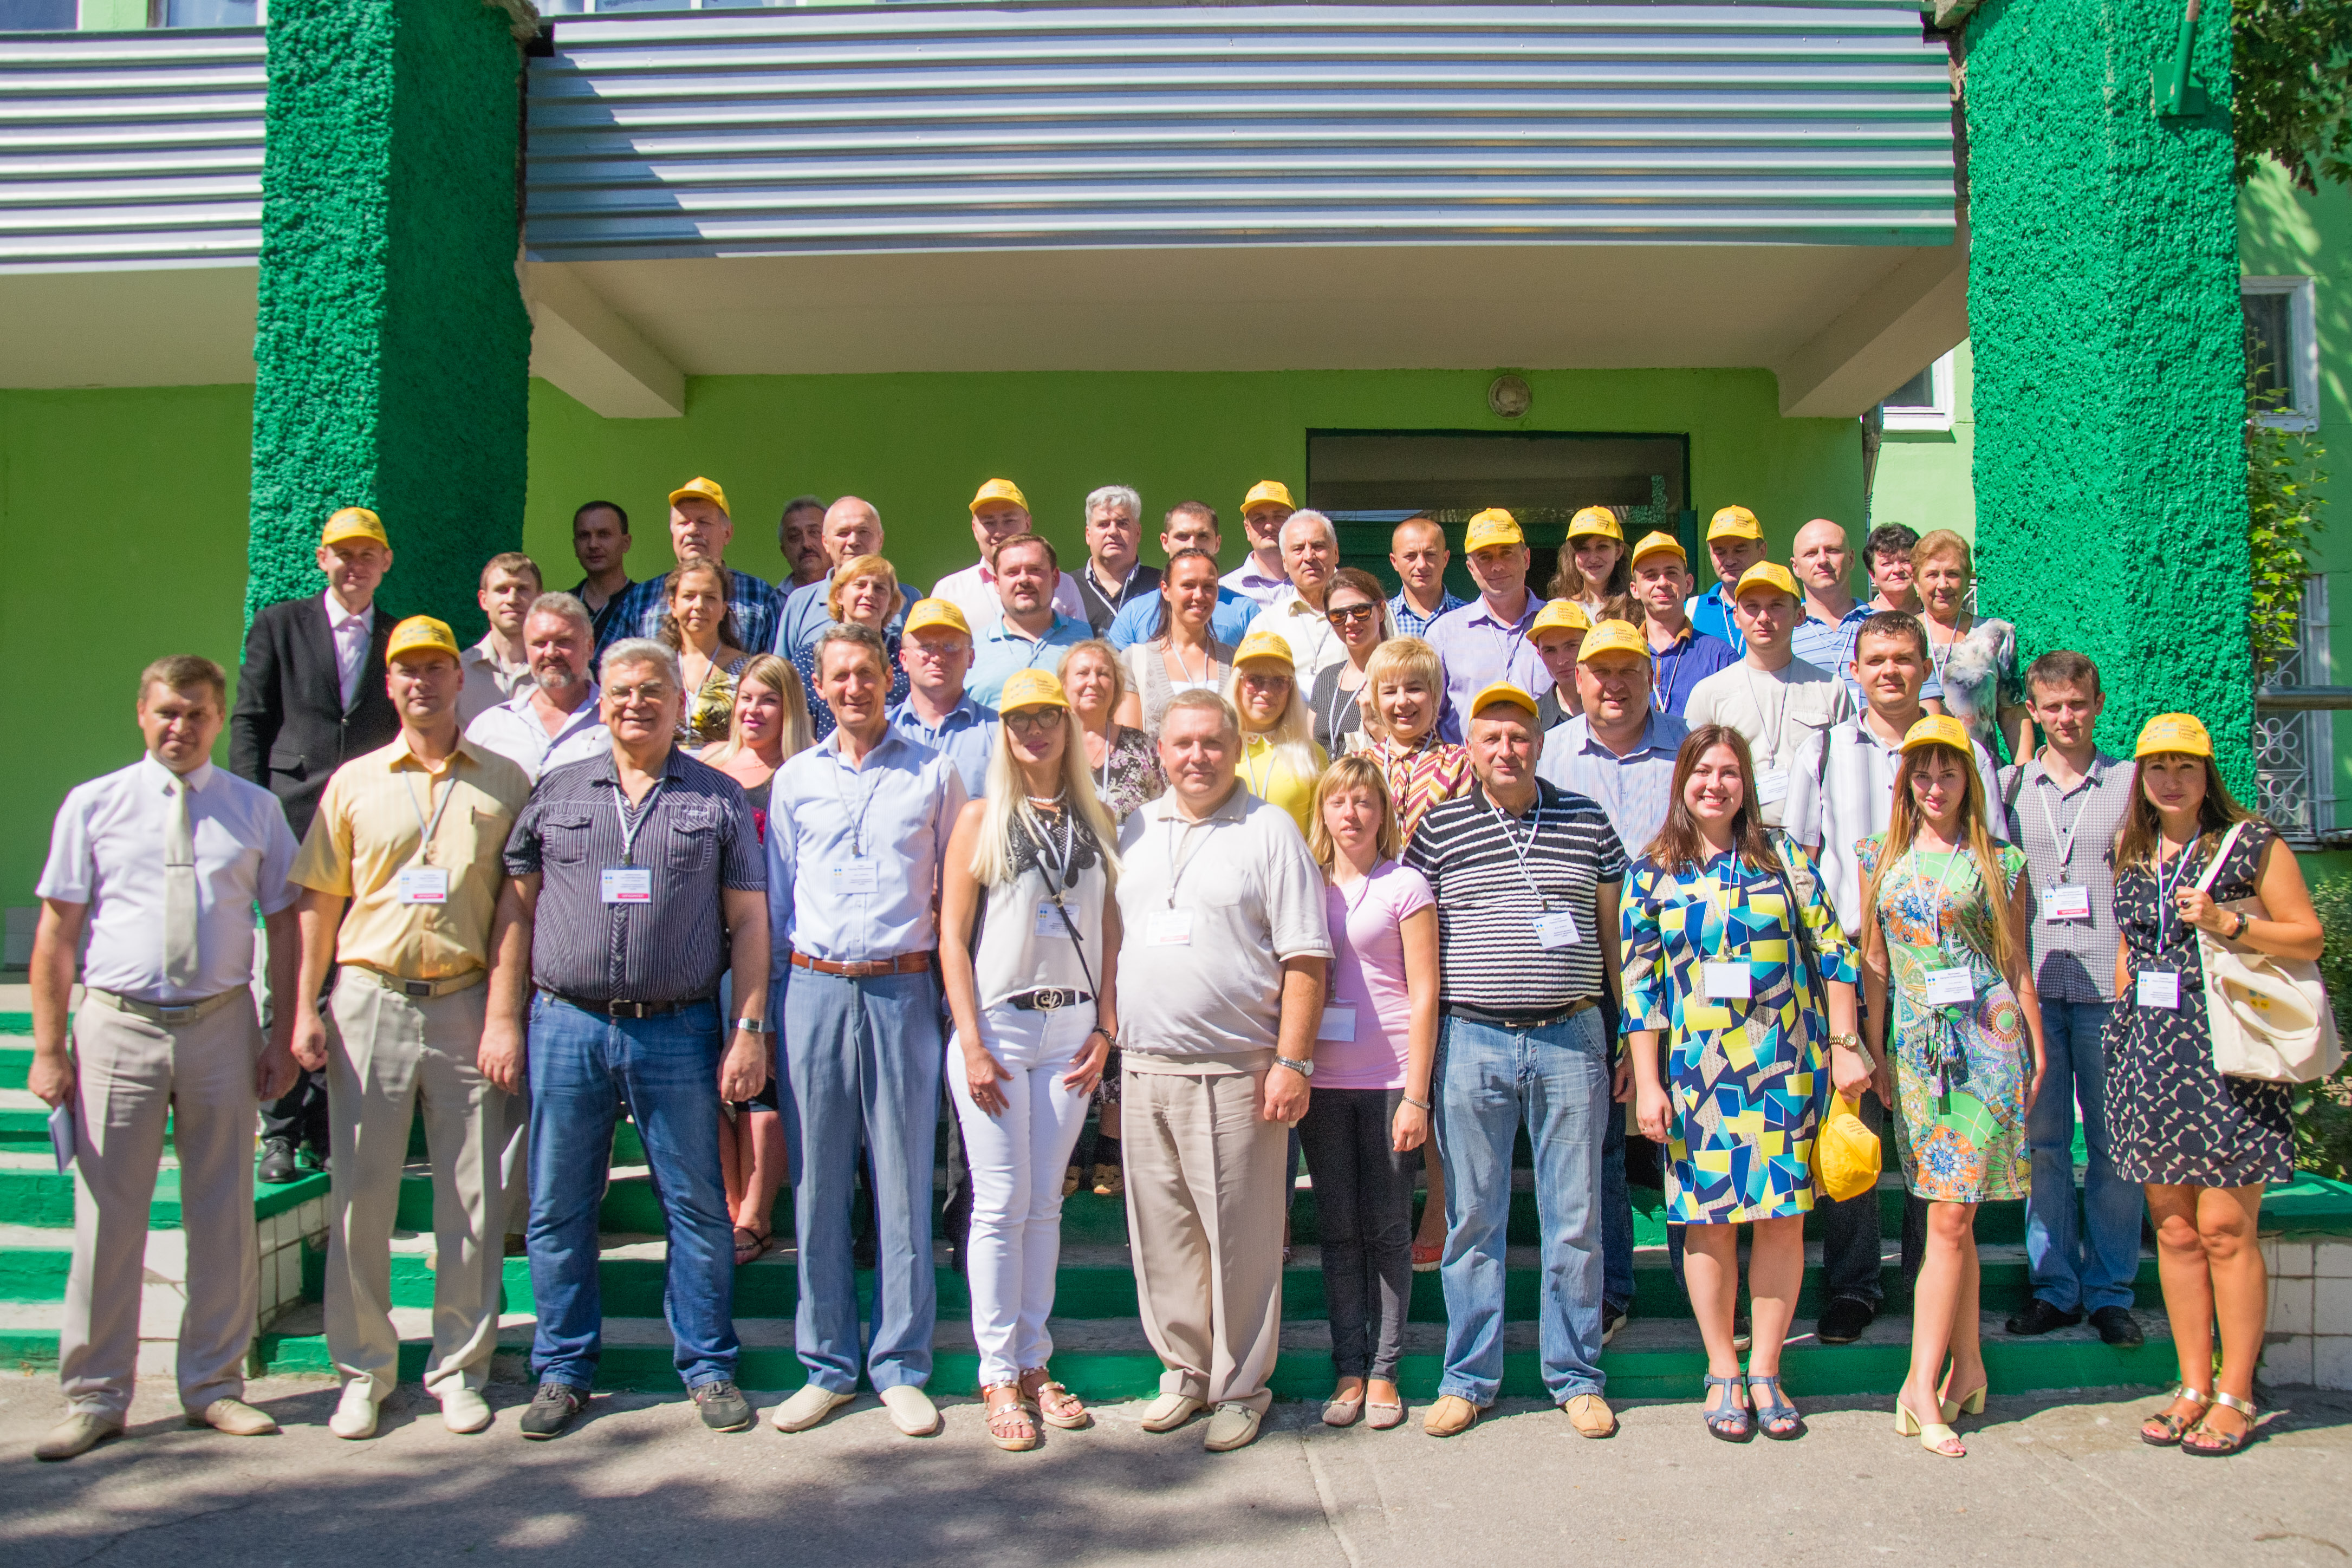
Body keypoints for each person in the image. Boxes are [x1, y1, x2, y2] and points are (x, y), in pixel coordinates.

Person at [483, 637, 771, 1441]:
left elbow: (750, 921)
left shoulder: (715, 797)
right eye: (620, 691)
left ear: (679, 702)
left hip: (677, 1027)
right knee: (558, 1204)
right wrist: (502, 1017)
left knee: (696, 1205)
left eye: (652, 690)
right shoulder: (556, 790)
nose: (636, 703)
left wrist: (749, 1028)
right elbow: (515, 908)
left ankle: (707, 1364)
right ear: (599, 701)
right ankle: (562, 1369)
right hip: (565, 1023)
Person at [27, 656, 303, 1462]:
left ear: (218, 719)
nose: (180, 727)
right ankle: (95, 1394)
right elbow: (56, 934)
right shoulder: (94, 804)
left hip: (219, 1024)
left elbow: (286, 924)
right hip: (117, 1027)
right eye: (166, 712)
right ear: (142, 715)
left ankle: (214, 1385)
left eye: (196, 713)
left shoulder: (254, 809)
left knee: (221, 1211)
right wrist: (48, 1047)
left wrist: (283, 1032)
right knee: (108, 1215)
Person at [285, 615, 533, 1442]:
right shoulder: (354, 782)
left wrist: (503, 1012)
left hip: (465, 998)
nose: (422, 681)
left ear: (460, 678)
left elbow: (516, 908)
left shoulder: (504, 780)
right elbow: (320, 899)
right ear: (389, 685)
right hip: (370, 997)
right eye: (407, 670)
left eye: (435, 667)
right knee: (363, 1195)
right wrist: (306, 1003)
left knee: (472, 1196)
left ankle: (459, 1367)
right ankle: (363, 1369)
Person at [1623, 727, 1865, 1442]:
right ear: (1682, 781)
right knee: (1708, 1221)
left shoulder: (1783, 857)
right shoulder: (1652, 872)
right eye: (1702, 771)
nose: (1715, 784)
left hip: (1783, 1068)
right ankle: (1722, 1366)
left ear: (1746, 783)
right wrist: (1647, 1084)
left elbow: (1835, 952)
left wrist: (1845, 1044)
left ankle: (1765, 1368)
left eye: (1729, 772)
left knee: (1781, 1218)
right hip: (1697, 1076)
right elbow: (1640, 990)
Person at [764, 622, 970, 1439]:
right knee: (817, 1184)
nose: (854, 687)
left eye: (866, 673)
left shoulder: (934, 772)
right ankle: (825, 1364)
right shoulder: (794, 779)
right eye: (838, 675)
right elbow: (779, 895)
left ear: (890, 677)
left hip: (901, 988)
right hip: (814, 986)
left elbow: (955, 894)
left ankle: (900, 1364)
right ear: (818, 685)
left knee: (903, 1178)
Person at [1408, 681, 1626, 1441]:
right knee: (1473, 1218)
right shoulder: (1437, 830)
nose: (1506, 750)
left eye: (1519, 736)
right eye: (1491, 738)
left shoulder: (1586, 821)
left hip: (1572, 1036)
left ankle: (1575, 1376)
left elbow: (1612, 939)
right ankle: (1468, 1377)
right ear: (1469, 749)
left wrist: (1627, 1035)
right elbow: (1417, 950)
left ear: (1539, 744)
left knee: (1574, 1218)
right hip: (1472, 1039)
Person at [1115, 689, 1331, 1453]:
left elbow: (1305, 955)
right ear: (1160, 752)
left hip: (1237, 1069)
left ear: (1236, 749)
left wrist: (1291, 1061)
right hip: (1145, 1065)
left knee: (1241, 1240)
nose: (1197, 757)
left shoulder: (1268, 830)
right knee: (1163, 1235)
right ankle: (1185, 1370)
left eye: (1212, 742)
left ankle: (1241, 1385)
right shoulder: (1136, 827)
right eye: (1182, 743)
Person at [1780, 610, 2000, 1345]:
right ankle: (1853, 1283)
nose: (1889, 671)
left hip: (1945, 969)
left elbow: (1994, 859)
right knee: (1854, 1124)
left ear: (1925, 668)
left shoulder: (1966, 751)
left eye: (1904, 658)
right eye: (1875, 659)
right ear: (1853, 670)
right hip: (1849, 964)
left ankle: (1926, 1278)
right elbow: (1801, 860)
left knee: (1936, 1128)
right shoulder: (1823, 750)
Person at [2109, 713, 2322, 1457]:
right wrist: (2122, 1029)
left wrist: (2230, 923)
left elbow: (2306, 935)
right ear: (2141, 776)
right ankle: (2191, 1384)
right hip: (2151, 1053)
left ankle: (2235, 1393)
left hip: (2227, 1054)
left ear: (2207, 775)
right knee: (2172, 1229)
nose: (2171, 780)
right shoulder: (2131, 849)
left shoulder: (2251, 843)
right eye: (2158, 767)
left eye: (2185, 767)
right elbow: (2130, 946)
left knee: (2226, 1229)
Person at [938, 669, 1121, 1450]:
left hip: (1072, 1029)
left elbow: (1110, 931)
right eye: (1020, 719)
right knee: (999, 1201)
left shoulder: (1097, 815)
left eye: (1048, 716)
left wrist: (1106, 1027)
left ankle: (1035, 1357)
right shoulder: (982, 816)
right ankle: (997, 1371)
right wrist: (971, 1039)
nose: (1035, 730)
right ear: (1003, 731)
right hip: (1000, 1028)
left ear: (1068, 726)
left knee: (1045, 1202)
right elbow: (951, 937)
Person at [1857, 714, 2047, 1459]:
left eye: (1948, 773)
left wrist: (2034, 1049)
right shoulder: (1878, 855)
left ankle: (1919, 1382)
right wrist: (1871, 1048)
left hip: (1987, 1044)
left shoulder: (2000, 860)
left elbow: (2016, 959)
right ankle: (1966, 1365)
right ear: (1905, 781)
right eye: (1922, 774)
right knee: (1951, 1216)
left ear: (1970, 779)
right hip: (1918, 1053)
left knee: (1949, 1216)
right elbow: (1875, 965)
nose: (1934, 787)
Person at [231, 505, 400, 1186]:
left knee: (349, 980)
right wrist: (250, 812)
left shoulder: (396, 636)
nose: (354, 565)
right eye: (343, 553)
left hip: (369, 829)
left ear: (385, 562)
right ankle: (279, 1130)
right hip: (292, 819)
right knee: (291, 974)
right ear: (322, 559)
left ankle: (331, 1131)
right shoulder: (280, 625)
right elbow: (251, 720)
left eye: (366, 554)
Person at [1534, 619, 1686, 1338]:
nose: (1614, 684)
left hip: (1685, 964)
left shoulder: (1689, 746)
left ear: (1651, 677)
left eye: (1630, 669)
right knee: (1597, 1142)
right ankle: (1610, 1289)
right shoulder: (1551, 752)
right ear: (1578, 678)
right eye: (1601, 671)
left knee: (1690, 1128)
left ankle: (1704, 1288)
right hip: (1587, 969)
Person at [1998, 652, 2145, 1348]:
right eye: (2052, 707)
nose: (2066, 718)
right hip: (2033, 992)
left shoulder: (2130, 783)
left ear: (2098, 704)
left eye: (2077, 704)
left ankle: (2111, 1292)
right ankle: (2054, 1288)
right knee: (2045, 1144)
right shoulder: (2008, 787)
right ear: (2032, 711)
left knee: (2114, 1146)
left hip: (2108, 989)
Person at [1300, 757, 1437, 1432]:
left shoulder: (1405, 884)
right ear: (1322, 812)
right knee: (1337, 1231)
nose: (1350, 814)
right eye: (1338, 802)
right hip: (1322, 1083)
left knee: (1386, 1230)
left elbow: (1425, 993)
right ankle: (1348, 1367)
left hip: (1388, 1081)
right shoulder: (1306, 886)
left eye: (1363, 802)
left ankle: (1385, 1369)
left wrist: (1417, 1095)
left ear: (1383, 813)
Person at [1356, 635, 1471, 1270]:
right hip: (1370, 940)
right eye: (1390, 689)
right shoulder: (1356, 762)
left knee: (1433, 1074)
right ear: (1372, 698)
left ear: (1437, 696)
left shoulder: (1459, 764)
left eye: (1416, 689)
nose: (1403, 701)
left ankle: (1441, 1204)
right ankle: (1379, 1208)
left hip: (1439, 933)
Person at [696, 655, 813, 1265]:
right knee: (710, 1083)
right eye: (745, 697)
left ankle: (756, 1214)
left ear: (789, 707)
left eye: (768, 699)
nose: (753, 709)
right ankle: (729, 1202)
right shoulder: (705, 768)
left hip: (773, 947)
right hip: (700, 947)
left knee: (762, 1081)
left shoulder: (804, 772)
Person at [1683, 562, 1855, 833]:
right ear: (1736, 617)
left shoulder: (1831, 689)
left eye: (1776, 606)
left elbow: (1849, 774)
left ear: (1800, 615)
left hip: (1813, 839)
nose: (1763, 617)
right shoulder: (1709, 693)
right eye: (1752, 607)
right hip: (1734, 840)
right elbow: (1691, 779)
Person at [606, 478, 781, 654]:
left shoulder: (761, 596)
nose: (691, 530)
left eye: (703, 522)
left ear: (727, 533)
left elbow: (779, 669)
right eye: (683, 523)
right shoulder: (640, 598)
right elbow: (609, 663)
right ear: (672, 532)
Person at [1427, 509, 1551, 739]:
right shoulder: (1443, 634)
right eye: (1485, 558)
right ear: (1471, 568)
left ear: (1526, 559)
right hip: (1466, 762)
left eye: (1506, 553)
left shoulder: (1558, 625)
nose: (1497, 566)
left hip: (1548, 761)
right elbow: (1426, 718)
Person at [463, 591, 612, 782]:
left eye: (563, 641)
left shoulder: (617, 720)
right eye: (540, 643)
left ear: (590, 648)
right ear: (527, 650)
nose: (551, 652)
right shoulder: (491, 727)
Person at [1914, 529, 2030, 762]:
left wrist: (2024, 771)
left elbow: (2012, 712)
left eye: (1953, 574)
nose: (1943, 584)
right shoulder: (1900, 637)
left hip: (1981, 771)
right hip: (1918, 770)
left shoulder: (1995, 634)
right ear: (1916, 582)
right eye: (1932, 575)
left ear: (1968, 580)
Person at [932, 479, 1087, 633]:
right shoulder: (949, 591)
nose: (1000, 532)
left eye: (1009, 521)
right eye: (989, 523)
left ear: (1027, 524)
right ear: (975, 529)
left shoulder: (1064, 585)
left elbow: (1081, 643)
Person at [1104, 501, 1261, 650]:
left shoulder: (1244, 611)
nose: (1192, 545)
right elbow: (1113, 667)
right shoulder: (1134, 612)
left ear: (1217, 543)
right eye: (1182, 536)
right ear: (1165, 542)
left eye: (1203, 536)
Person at [792, 552, 912, 742]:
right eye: (860, 585)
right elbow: (799, 728)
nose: (869, 593)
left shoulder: (907, 656)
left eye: (880, 588)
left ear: (891, 602)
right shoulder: (810, 656)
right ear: (839, 595)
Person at [1118, 548, 1237, 737]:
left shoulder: (1235, 661)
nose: (1199, 595)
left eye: (1208, 586)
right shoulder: (1135, 661)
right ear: (1166, 590)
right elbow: (1131, 746)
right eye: (1188, 586)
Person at [888, 597, 996, 798]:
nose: (938, 657)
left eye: (950, 646)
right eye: (925, 647)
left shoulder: (999, 732)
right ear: (904, 659)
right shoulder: (883, 732)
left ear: (971, 657)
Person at [968, 533, 1092, 708]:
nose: (1023, 579)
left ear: (1055, 578)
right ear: (996, 582)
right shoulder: (969, 651)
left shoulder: (1093, 641)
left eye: (1034, 570)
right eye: (1012, 572)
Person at [1224, 630, 1329, 835]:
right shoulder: (1218, 751)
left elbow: (1319, 838)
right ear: (1237, 684)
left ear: (1291, 689)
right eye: (1255, 680)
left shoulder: (1313, 754)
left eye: (1279, 681)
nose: (1266, 692)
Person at [775, 496, 900, 661]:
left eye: (863, 532)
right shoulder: (799, 603)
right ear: (826, 542)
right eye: (843, 533)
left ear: (880, 540)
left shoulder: (909, 599)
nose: (853, 541)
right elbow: (782, 672)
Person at [1627, 530, 1736, 717]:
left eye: (1671, 573)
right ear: (1635, 589)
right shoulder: (1622, 654)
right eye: (1651, 575)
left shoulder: (1720, 657)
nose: (1662, 582)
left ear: (1688, 583)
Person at [1063, 637, 1162, 823]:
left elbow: (1165, 810)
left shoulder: (1141, 747)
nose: (1093, 682)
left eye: (1103, 674)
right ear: (1063, 685)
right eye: (1083, 673)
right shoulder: (1052, 746)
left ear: (1116, 687)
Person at [661, 555, 756, 749]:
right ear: (673, 606)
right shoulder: (657, 668)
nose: (699, 606)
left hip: (724, 766)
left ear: (723, 609)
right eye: (689, 596)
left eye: (710, 598)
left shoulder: (747, 670)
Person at [1244, 510, 1348, 682]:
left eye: (1318, 546)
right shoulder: (1265, 626)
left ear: (1336, 553)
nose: (1309, 557)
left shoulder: (1368, 613)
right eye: (1298, 549)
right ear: (1285, 562)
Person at [1307, 567, 1396, 755]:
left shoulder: (1398, 678)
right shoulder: (1326, 679)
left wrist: (1374, 726)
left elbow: (1413, 753)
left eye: (1360, 611)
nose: (1350, 621)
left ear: (1381, 610)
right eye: (1338, 615)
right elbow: (1311, 749)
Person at [1787, 517, 1874, 699]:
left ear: (1851, 559)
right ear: (1796, 567)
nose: (1822, 560)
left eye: (1833, 550)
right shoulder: (1783, 631)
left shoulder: (1884, 625)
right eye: (1811, 554)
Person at [458, 552, 543, 728]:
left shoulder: (558, 671)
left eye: (522, 589)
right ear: (484, 600)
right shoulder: (458, 672)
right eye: (502, 590)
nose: (512, 599)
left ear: (539, 599)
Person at [1075, 484, 1161, 634]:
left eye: (1122, 524)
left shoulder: (1163, 585)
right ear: (1088, 535)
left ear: (1138, 533)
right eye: (1103, 524)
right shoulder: (1067, 587)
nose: (1113, 531)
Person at [1686, 505, 1770, 654]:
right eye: (1720, 552)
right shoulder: (1689, 610)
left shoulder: (1788, 608)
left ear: (1762, 551)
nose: (1730, 561)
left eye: (1740, 550)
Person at [1549, 506, 1634, 622]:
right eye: (1583, 549)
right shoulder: (1556, 610)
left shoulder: (1638, 608)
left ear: (1619, 551)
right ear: (1573, 555)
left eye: (1602, 547)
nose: (1593, 559)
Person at [1222, 479, 1297, 608]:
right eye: (1259, 519)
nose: (1269, 527)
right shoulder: (1226, 590)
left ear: (1295, 523)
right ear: (1247, 530)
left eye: (1279, 517)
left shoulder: (1318, 583)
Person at [570, 500, 635, 647]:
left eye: (604, 535)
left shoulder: (642, 603)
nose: (593, 544)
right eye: (584, 536)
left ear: (626, 543)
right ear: (575, 547)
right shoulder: (562, 606)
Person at [1387, 515, 1465, 637]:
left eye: (1430, 554)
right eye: (1410, 556)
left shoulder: (1470, 618)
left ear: (1445, 559)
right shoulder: (1382, 621)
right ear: (1395, 562)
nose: (1422, 565)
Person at [1527, 598, 1589, 732]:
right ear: (1539, 653)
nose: (1561, 661)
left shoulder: (1617, 705)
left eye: (1571, 646)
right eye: (1550, 650)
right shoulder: (1532, 721)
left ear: (1589, 644)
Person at [1864, 522, 1926, 614]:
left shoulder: (1938, 617)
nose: (1897, 570)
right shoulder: (1861, 619)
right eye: (1886, 563)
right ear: (1873, 575)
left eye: (1906, 561)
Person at [778, 494, 830, 590]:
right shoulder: (771, 598)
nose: (806, 544)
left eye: (814, 532)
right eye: (795, 536)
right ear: (784, 552)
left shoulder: (857, 591)